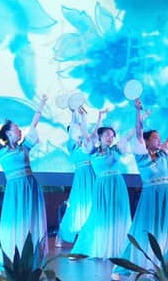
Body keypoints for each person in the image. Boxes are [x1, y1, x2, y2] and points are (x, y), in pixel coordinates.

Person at [112, 100, 168, 278]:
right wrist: (138, 111)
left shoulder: (163, 153)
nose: (159, 140)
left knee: (166, 228)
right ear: (146, 141)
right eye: (155, 138)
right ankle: (130, 266)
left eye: (159, 137)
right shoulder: (141, 155)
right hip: (150, 195)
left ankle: (165, 264)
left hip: (166, 194)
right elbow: (139, 131)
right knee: (145, 229)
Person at [0, 94, 49, 267]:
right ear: (9, 132)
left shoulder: (24, 146)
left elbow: (34, 124)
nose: (20, 131)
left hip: (31, 187)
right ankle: (12, 257)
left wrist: (41, 105)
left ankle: (31, 258)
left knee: (30, 220)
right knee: (14, 221)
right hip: (14, 189)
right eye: (17, 129)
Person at [70, 109, 132, 259]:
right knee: (98, 216)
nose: (110, 138)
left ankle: (119, 249)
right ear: (100, 137)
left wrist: (140, 116)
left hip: (117, 186)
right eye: (107, 135)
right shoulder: (93, 151)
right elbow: (86, 135)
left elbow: (129, 135)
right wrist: (83, 117)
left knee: (119, 215)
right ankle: (92, 248)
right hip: (101, 187)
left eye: (112, 135)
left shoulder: (117, 150)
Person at [56, 106, 96, 247]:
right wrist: (73, 113)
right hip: (81, 178)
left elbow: (93, 133)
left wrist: (95, 118)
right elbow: (74, 125)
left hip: (93, 175)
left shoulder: (88, 142)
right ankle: (62, 234)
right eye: (76, 128)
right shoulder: (71, 145)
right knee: (76, 207)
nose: (79, 129)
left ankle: (89, 236)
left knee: (92, 206)